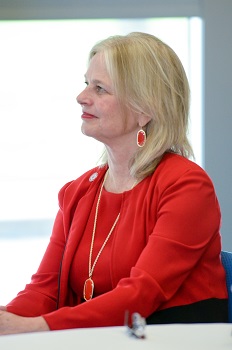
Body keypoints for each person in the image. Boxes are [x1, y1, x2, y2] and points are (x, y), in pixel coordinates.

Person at [0, 32, 228, 335]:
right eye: (86, 84)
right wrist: (9, 320)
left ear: (144, 109)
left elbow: (140, 295)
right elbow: (45, 291)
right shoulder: (78, 191)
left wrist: (35, 326)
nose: (81, 97)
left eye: (100, 89)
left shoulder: (186, 185)